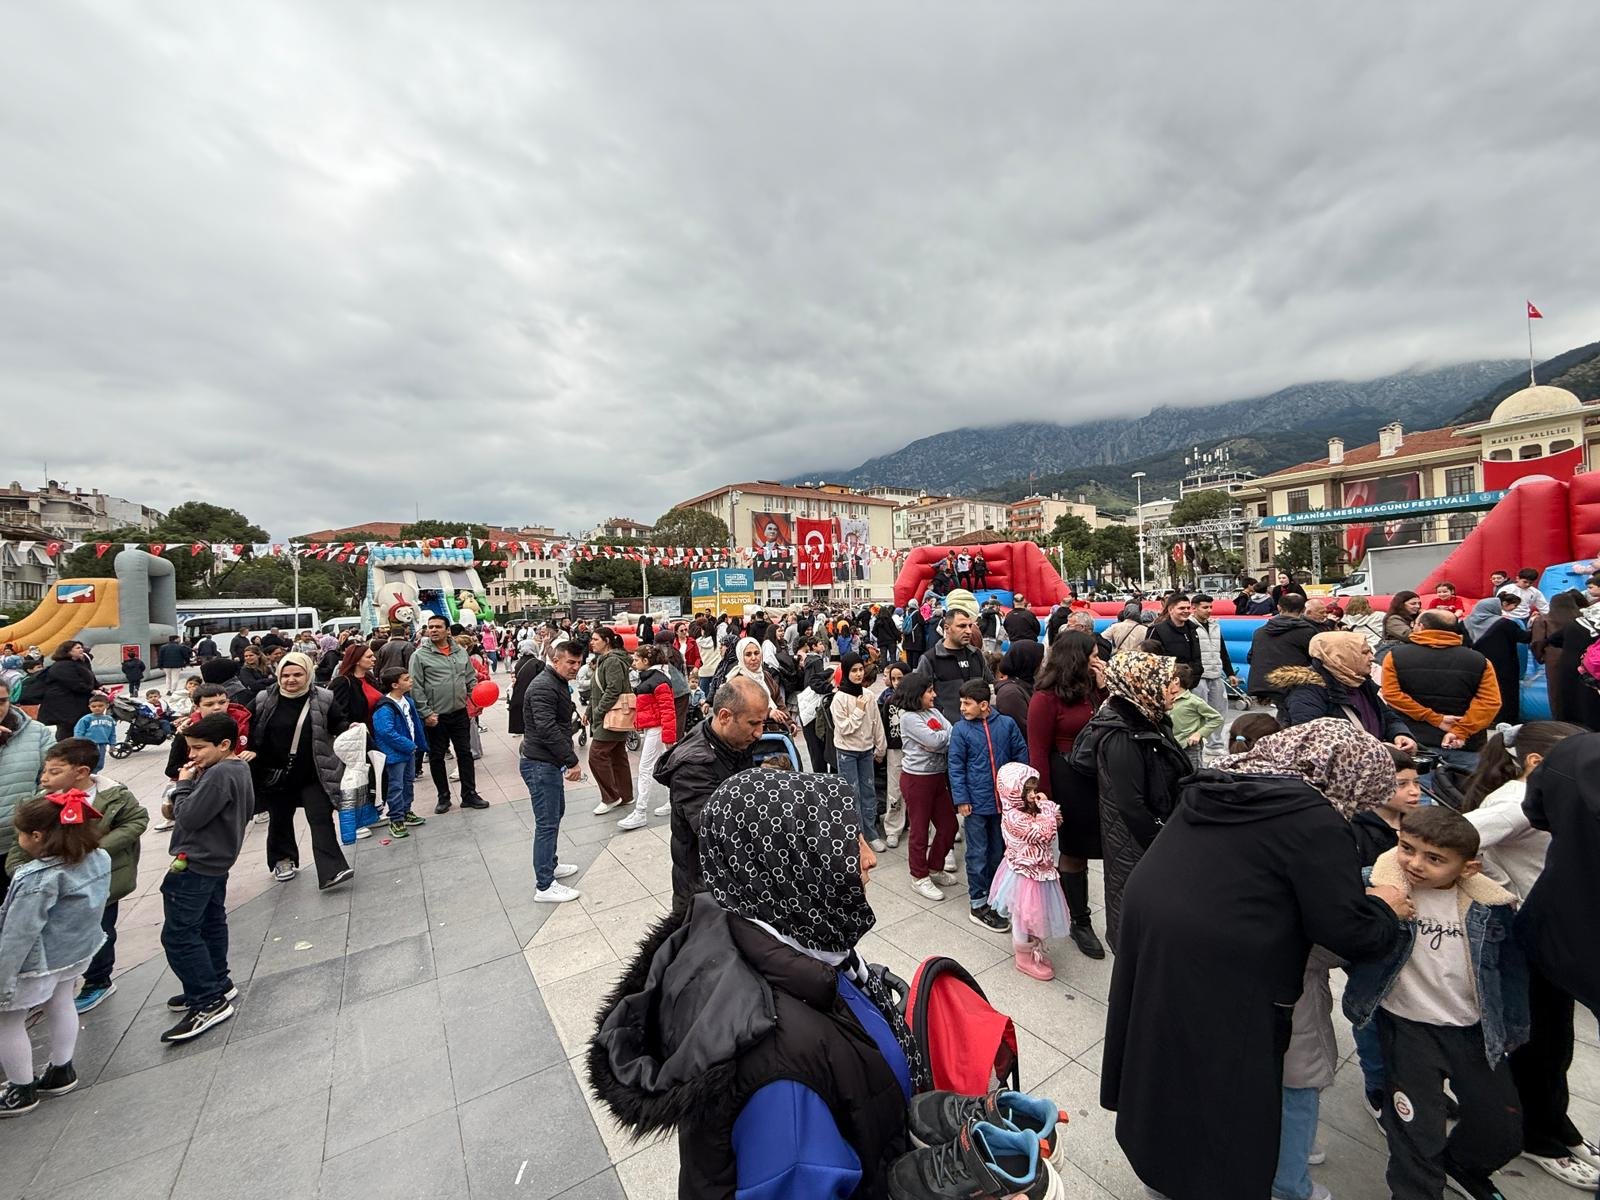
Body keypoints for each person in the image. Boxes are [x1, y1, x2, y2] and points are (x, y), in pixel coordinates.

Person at [590, 771, 940, 1200]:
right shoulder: (779, 1069)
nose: (870, 858)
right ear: (789, 866)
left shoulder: (775, 937)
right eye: (849, 845)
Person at [1102, 720, 1411, 1200]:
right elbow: (1346, 929)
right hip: (1221, 962)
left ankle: (1160, 1165)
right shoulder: (1314, 816)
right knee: (1224, 1075)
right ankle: (1214, 1178)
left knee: (1167, 1053)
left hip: (1159, 934)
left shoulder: (1230, 782)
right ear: (1344, 775)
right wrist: (1385, 907)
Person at [1344, 807, 1529, 1200]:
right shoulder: (1376, 890)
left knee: (1502, 1127)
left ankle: (1462, 1165)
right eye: (1407, 848)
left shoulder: (1493, 907)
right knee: (1416, 1135)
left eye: (1434, 858)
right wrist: (1374, 907)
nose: (1414, 863)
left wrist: (1512, 1029)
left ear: (1468, 868)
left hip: (1473, 1032)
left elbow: (1510, 973)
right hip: (1407, 1030)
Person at [1458, 722, 1599, 1188]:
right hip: (1527, 936)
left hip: (1554, 934)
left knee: (1555, 1043)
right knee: (1538, 1045)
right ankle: (1537, 1137)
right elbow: (1457, 834)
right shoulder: (1514, 802)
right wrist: (1493, 888)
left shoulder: (1544, 789)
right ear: (1537, 765)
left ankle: (1555, 1123)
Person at [5, 739, 144, 1016]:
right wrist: (22, 871)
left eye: (54, 772)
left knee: (101, 931)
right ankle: (52, 988)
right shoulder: (41, 804)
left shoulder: (113, 794)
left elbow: (136, 821)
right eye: (44, 771)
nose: (44, 778)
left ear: (81, 772)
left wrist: (91, 852)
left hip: (102, 883)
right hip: (51, 885)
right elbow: (19, 844)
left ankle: (98, 980)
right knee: (54, 936)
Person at [1069, 650, 1192, 951]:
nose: (1175, 688)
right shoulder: (1121, 736)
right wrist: (1166, 844)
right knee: (1136, 929)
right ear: (1141, 683)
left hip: (1156, 838)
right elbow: (1132, 805)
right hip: (1138, 844)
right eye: (1167, 681)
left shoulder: (1151, 719)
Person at [0, 790, 110, 1115]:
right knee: (61, 1002)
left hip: (35, 962)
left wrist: (2, 980)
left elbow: (17, 936)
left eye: (19, 833)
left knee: (7, 1021)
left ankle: (21, 1089)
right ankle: (61, 1070)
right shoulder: (97, 857)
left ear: (36, 836)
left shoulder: (37, 877)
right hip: (74, 952)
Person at [157, 712, 254, 1043]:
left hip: (197, 861)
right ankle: (216, 982)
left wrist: (183, 786)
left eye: (199, 748)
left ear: (224, 745)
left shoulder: (219, 774)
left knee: (179, 934)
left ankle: (207, 1001)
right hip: (216, 858)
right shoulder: (236, 767)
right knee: (211, 922)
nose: (192, 755)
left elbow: (189, 816)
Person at [1028, 630, 1109, 959]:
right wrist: (1043, 801)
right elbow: (1038, 752)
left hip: (1098, 777)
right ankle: (1080, 920)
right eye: (1091, 654)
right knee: (1074, 851)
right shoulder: (1046, 698)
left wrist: (1104, 689)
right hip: (1067, 780)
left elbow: (1110, 721)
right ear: (1076, 657)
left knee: (1100, 845)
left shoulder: (1091, 689)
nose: (1097, 659)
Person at [654, 677, 764, 915]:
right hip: (703, 892)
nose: (759, 733)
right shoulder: (693, 766)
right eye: (753, 723)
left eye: (762, 723)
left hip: (735, 882)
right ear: (724, 717)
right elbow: (720, 832)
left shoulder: (734, 742)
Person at [247, 652, 354, 890]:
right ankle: (282, 860)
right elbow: (249, 727)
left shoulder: (324, 698)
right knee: (280, 818)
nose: (291, 680)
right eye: (285, 675)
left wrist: (351, 729)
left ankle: (331, 870)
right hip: (276, 773)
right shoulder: (264, 699)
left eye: (298, 674)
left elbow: (339, 724)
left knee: (320, 818)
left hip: (313, 771)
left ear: (308, 674)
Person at [949, 678, 1028, 933]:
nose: (962, 708)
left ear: (984, 705)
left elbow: (1020, 756)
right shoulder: (960, 730)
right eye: (961, 702)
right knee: (977, 854)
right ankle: (978, 902)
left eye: (967, 703)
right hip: (975, 805)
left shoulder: (1006, 724)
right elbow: (956, 767)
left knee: (999, 851)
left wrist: (1020, 792)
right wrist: (961, 799)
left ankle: (997, 896)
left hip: (1004, 804)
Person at [1381, 609, 1501, 764]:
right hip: (1465, 743)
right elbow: (1490, 703)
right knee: (1469, 787)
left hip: (1416, 741)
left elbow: (1391, 695)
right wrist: (1461, 730)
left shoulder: (1395, 656)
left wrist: (1434, 718)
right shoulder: (1479, 660)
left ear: (1421, 627)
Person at [519, 640, 587, 904]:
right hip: (539, 763)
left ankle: (551, 864)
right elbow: (546, 729)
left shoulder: (554, 682)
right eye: (570, 662)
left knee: (555, 815)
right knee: (546, 823)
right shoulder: (543, 686)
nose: (575, 667)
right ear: (555, 659)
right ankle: (544, 885)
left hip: (546, 761)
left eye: (578, 663)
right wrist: (571, 761)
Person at [987, 763, 1070, 981]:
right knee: (1023, 917)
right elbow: (1045, 833)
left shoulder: (1026, 810)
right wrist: (1049, 810)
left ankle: (1034, 951)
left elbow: (1052, 824)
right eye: (1029, 791)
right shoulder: (1015, 817)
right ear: (1014, 793)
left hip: (1038, 871)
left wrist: (1048, 812)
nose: (1033, 795)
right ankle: (1023, 958)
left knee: (1032, 916)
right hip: (1025, 875)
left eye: (1034, 789)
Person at [1271, 631, 1417, 749]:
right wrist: (1373, 750)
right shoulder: (1307, 693)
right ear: (1340, 657)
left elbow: (1387, 716)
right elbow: (1310, 743)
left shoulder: (1359, 682)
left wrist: (1399, 734)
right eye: (1365, 652)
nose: (1372, 658)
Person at [411, 614, 488, 814]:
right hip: (435, 716)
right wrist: (426, 712)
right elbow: (416, 687)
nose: (433, 630)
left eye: (438, 627)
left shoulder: (460, 652)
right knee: (437, 756)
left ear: (447, 630)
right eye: (430, 627)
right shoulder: (419, 655)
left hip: (459, 712)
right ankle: (443, 797)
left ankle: (469, 794)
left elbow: (470, 678)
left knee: (465, 754)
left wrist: (477, 697)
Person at [0, 691, 55, 904]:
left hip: (23, 843)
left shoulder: (36, 733)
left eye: (3, 701)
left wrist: (27, 816)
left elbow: (52, 783)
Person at [831, 653, 889, 851]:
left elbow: (876, 723)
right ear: (846, 673)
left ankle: (871, 833)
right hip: (847, 752)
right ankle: (857, 836)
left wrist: (881, 747)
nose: (857, 674)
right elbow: (845, 729)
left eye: (860, 669)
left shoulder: (869, 695)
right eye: (853, 670)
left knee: (868, 792)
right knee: (851, 794)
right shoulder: (838, 699)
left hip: (866, 751)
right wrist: (858, 711)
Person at [617, 644, 678, 833]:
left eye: (636, 659)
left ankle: (640, 811)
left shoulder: (657, 680)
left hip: (656, 729)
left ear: (646, 661)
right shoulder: (656, 678)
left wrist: (669, 736)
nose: (634, 663)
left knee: (645, 768)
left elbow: (668, 711)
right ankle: (671, 801)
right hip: (655, 728)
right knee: (663, 767)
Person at [370, 667, 426, 839]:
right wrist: (408, 744)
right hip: (395, 753)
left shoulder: (407, 701)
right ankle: (396, 818)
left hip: (408, 750)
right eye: (406, 678)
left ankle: (406, 810)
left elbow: (413, 724)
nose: (410, 681)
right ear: (395, 684)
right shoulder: (385, 707)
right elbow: (385, 732)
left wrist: (418, 744)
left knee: (408, 781)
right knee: (396, 785)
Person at [1464, 592, 1531, 725]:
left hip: (1477, 664)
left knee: (1482, 691)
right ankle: (1505, 720)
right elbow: (1525, 638)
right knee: (1505, 693)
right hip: (1504, 666)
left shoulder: (1466, 623)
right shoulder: (1504, 623)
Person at [1245, 592, 1319, 707]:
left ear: (1279, 607)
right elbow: (1317, 660)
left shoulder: (1260, 632)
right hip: (1296, 686)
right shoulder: (1307, 631)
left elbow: (1251, 658)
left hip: (1265, 685)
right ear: (1303, 609)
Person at [926, 593, 992, 721]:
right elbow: (921, 697)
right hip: (947, 730)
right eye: (962, 626)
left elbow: (990, 686)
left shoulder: (976, 655)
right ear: (947, 628)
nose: (968, 631)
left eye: (970, 625)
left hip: (978, 727)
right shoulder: (930, 659)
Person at [1187, 594, 1237, 756]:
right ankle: (1195, 742)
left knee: (1218, 711)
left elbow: (1222, 650)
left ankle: (1215, 744)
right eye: (1205, 607)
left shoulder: (1215, 625)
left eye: (1210, 607)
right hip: (1198, 676)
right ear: (1194, 608)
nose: (1209, 610)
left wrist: (1229, 673)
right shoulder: (1188, 626)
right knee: (1197, 712)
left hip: (1215, 673)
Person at [38, 641, 97, 742]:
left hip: (76, 703)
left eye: (81, 647)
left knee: (78, 727)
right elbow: (74, 683)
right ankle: (67, 751)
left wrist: (99, 687)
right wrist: (92, 691)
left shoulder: (79, 663)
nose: (81, 650)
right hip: (64, 705)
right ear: (68, 651)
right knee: (68, 729)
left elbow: (89, 678)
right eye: (78, 648)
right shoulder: (61, 666)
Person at [1167, 665, 1221, 770]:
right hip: (1170, 746)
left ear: (1175, 680)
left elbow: (1216, 718)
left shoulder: (1194, 701)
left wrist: (1199, 734)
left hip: (1189, 747)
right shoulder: (1164, 699)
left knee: (1194, 774)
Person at [877, 662, 907, 847]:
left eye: (900, 678)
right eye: (893, 679)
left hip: (914, 751)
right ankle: (893, 828)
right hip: (894, 749)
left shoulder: (917, 700)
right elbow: (885, 727)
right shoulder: (889, 701)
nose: (896, 683)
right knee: (895, 790)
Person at [1143, 593, 1202, 681]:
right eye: (1181, 608)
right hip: (1169, 683)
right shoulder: (1157, 630)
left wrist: (1196, 674)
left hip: (1192, 681)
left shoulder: (1192, 629)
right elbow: (1150, 660)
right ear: (1171, 610)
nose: (1186, 611)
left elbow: (1197, 657)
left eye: (1188, 608)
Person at [328, 641, 383, 730]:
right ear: (357, 660)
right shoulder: (343, 682)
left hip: (376, 729)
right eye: (369, 657)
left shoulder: (369, 677)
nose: (374, 659)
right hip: (358, 732)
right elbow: (338, 715)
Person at [992, 641, 1042, 736]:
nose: (1042, 665)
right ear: (1028, 662)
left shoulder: (1028, 685)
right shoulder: (1010, 693)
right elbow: (1023, 730)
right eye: (1040, 661)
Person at [71, 693, 116, 773]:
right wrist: (79, 743)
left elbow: (112, 733)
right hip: (89, 745)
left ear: (107, 705)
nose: (97, 708)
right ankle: (89, 774)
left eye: (100, 706)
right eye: (94, 706)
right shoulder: (86, 719)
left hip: (102, 744)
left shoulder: (109, 719)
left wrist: (112, 744)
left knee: (100, 762)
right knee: (89, 761)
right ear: (89, 707)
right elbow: (79, 731)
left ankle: (95, 774)